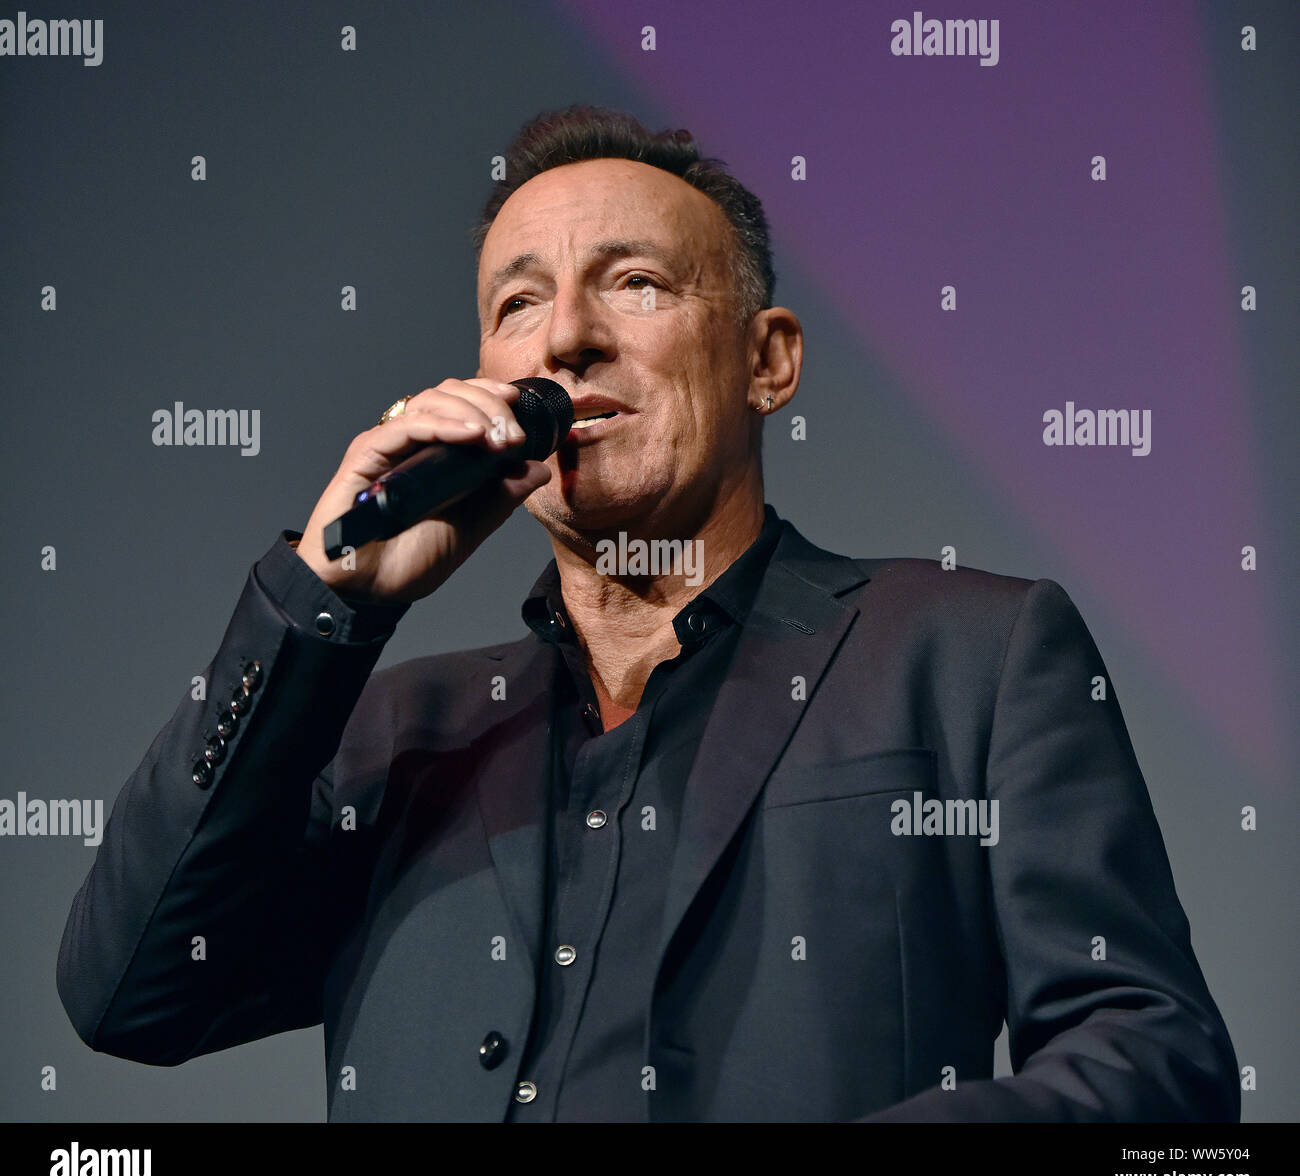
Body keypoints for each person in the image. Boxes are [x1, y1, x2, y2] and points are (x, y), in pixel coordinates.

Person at [56, 104, 1239, 1122]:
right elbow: (132, 993)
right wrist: (323, 605)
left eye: (634, 282)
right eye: (519, 303)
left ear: (766, 362)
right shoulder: (394, 734)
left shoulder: (969, 656)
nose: (566, 335)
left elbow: (1152, 1062)